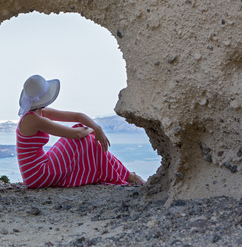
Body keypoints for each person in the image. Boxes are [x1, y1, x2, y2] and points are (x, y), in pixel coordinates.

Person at [16, 74, 145, 189]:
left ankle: (129, 176)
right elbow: (75, 134)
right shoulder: (33, 120)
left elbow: (77, 116)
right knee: (85, 138)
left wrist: (97, 128)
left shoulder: (37, 113)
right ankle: (131, 176)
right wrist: (92, 130)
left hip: (36, 170)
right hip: (38, 175)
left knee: (82, 131)